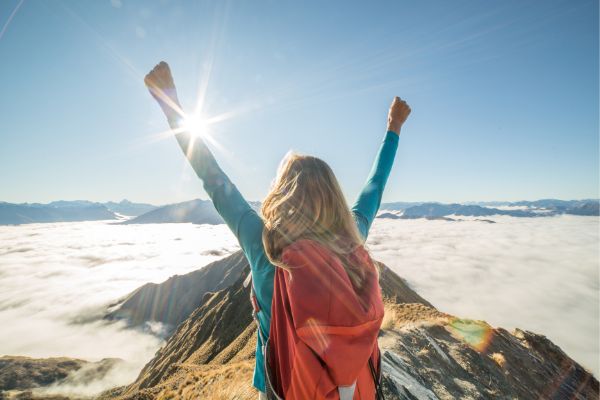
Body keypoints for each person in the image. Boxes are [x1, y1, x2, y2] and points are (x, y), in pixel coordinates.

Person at [144, 61, 411, 399]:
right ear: (332, 195)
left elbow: (214, 179)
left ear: (282, 195)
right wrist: (394, 127)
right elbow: (375, 185)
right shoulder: (352, 238)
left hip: (280, 389)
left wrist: (171, 106)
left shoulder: (264, 246)